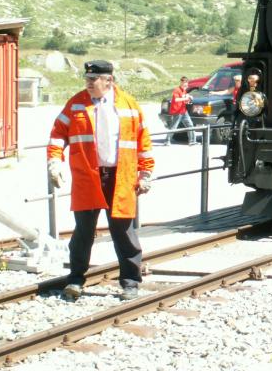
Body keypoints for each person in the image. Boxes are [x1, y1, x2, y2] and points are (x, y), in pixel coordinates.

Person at [47, 60, 154, 301]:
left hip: (121, 178)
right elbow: (57, 134)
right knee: (83, 233)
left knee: (124, 233)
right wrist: (54, 162)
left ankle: (130, 283)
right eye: (87, 79)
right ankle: (75, 280)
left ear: (109, 81)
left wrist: (146, 174)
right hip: (88, 178)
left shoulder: (129, 105)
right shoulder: (76, 104)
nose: (88, 83)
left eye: (93, 80)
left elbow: (143, 141)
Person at [167, 76, 196, 145]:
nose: (185, 86)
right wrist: (185, 98)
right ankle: (167, 141)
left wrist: (189, 98)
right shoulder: (176, 90)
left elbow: (185, 100)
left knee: (190, 125)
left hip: (184, 111)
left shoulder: (184, 90)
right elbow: (176, 99)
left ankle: (192, 141)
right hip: (177, 112)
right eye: (184, 84)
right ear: (181, 83)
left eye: (186, 85)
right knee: (174, 127)